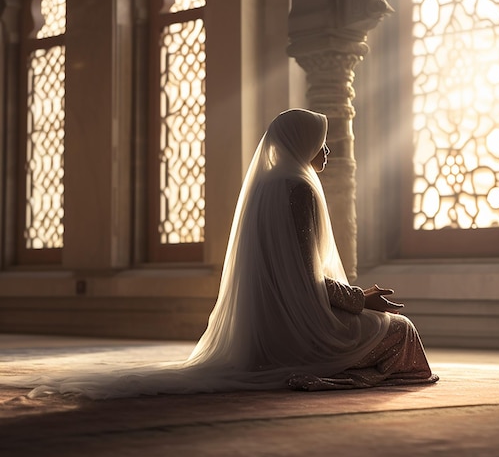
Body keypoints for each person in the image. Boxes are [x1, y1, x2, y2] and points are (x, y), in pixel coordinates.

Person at [10, 108, 436, 398]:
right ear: (303, 143)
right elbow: (305, 281)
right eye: (321, 142)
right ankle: (323, 371)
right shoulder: (299, 187)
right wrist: (360, 298)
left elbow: (287, 274)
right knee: (400, 329)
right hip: (298, 327)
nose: (327, 151)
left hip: (265, 326)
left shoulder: (269, 185)